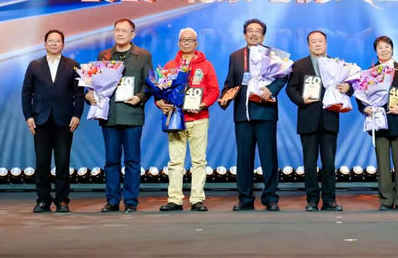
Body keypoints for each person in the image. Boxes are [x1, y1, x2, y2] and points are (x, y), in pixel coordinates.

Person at [219, 19, 287, 211]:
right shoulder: (235, 56)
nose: (254, 33)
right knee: (244, 158)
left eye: (258, 31)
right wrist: (225, 97)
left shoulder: (275, 54)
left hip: (266, 111)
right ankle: (245, 199)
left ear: (263, 35)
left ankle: (271, 198)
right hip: (243, 113)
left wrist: (271, 90)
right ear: (244, 35)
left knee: (269, 157)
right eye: (250, 30)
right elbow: (230, 82)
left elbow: (284, 76)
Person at [87, 19, 153, 213]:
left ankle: (131, 201)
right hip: (110, 115)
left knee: (132, 161)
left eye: (125, 30)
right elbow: (95, 82)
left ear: (133, 34)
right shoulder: (104, 55)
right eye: (117, 30)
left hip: (132, 114)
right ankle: (112, 200)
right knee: (111, 161)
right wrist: (88, 95)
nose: (120, 33)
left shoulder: (143, 55)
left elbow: (150, 83)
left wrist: (140, 97)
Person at [286, 30, 351, 211]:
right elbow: (291, 89)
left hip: (329, 118)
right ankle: (312, 200)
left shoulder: (337, 64)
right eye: (313, 41)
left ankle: (330, 200)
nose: (317, 44)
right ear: (308, 45)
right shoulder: (299, 65)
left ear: (326, 43)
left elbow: (350, 85)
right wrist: (301, 100)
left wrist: (348, 87)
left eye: (320, 41)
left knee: (329, 163)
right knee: (309, 163)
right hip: (308, 118)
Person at [156, 28, 219, 212]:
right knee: (175, 161)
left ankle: (197, 199)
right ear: (178, 43)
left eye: (190, 40)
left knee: (199, 161)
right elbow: (161, 90)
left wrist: (203, 104)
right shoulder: (170, 65)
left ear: (196, 43)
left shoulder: (206, 66)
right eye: (183, 40)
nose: (186, 43)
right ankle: (175, 199)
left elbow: (214, 90)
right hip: (176, 118)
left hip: (199, 118)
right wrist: (159, 102)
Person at [21, 29, 83, 213]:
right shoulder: (34, 65)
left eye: (58, 41)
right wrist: (28, 116)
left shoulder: (73, 65)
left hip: (65, 120)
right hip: (40, 119)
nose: (54, 43)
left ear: (63, 44)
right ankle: (43, 200)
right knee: (42, 162)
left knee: (63, 161)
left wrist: (77, 115)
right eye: (51, 40)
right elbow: (26, 92)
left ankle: (62, 200)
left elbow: (79, 93)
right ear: (45, 43)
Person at [357, 36, 398, 211]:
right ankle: (385, 200)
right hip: (378, 122)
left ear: (392, 48)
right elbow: (361, 96)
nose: (384, 50)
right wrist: (365, 108)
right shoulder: (370, 72)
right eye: (380, 47)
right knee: (382, 164)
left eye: (387, 46)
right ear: (376, 51)